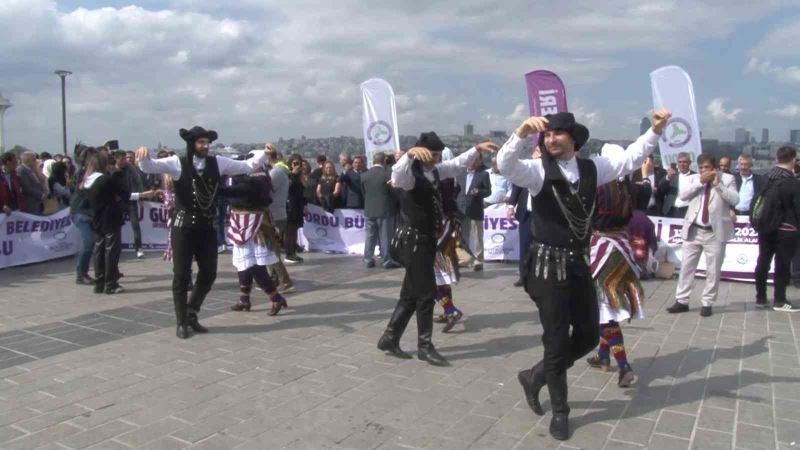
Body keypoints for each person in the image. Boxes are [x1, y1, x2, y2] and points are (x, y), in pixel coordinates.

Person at [499, 110, 669, 441]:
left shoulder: (593, 168)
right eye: (547, 135)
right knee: (557, 338)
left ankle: (536, 375)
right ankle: (561, 410)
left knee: (590, 335)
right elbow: (506, 166)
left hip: (579, 263)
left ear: (573, 139)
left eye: (557, 134)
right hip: (548, 267)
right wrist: (519, 134)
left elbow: (631, 158)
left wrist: (655, 131)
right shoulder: (537, 172)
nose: (550, 139)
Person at [377, 131, 498, 367]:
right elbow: (397, 174)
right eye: (432, 154)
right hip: (414, 242)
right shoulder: (409, 175)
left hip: (427, 240)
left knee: (410, 294)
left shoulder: (434, 171)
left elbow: (456, 164)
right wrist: (409, 154)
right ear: (421, 153)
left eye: (438, 154)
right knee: (425, 294)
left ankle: (389, 338)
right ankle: (425, 346)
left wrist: (476, 149)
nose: (436, 158)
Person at [137, 126, 268, 339]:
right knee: (181, 275)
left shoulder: (218, 162)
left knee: (209, 273)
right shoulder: (177, 162)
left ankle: (191, 311)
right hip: (183, 226)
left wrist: (264, 152)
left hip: (206, 226)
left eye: (207, 142)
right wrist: (142, 155)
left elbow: (246, 166)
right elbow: (149, 166)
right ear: (192, 144)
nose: (205, 146)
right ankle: (181, 322)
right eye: (201, 142)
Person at [585, 177, 643, 388]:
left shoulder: (598, 188)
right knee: (606, 310)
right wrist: (645, 177)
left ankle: (624, 365)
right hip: (621, 248)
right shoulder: (628, 187)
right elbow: (645, 193)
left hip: (602, 249)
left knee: (606, 312)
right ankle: (603, 356)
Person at [666, 154, 739, 317]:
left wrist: (718, 185)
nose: (703, 171)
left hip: (715, 232)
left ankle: (707, 302)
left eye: (706, 167)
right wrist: (700, 182)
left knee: (713, 270)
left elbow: (735, 199)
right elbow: (683, 196)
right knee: (686, 267)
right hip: (694, 230)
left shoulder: (727, 179)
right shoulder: (694, 179)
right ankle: (682, 300)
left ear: (714, 168)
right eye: (701, 168)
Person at [223, 159, 289, 315]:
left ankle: (275, 297)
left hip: (256, 225)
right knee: (243, 264)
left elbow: (247, 193)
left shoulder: (260, 177)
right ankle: (244, 299)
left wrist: (221, 190)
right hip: (240, 222)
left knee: (254, 265)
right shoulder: (241, 176)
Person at [89, 152, 158, 295]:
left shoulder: (87, 180)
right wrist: (143, 195)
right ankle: (110, 283)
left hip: (97, 217)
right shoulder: (106, 179)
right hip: (110, 217)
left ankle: (99, 282)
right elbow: (125, 194)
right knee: (111, 250)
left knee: (99, 249)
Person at [754, 146, 800, 312]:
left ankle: (760, 297)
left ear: (777, 158)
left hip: (765, 227)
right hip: (786, 229)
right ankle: (780, 300)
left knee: (763, 261)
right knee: (782, 264)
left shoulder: (765, 178)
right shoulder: (792, 182)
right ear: (793, 160)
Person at [361, 152, 399, 269]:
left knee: (370, 236)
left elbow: (364, 193)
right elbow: (394, 192)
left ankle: (367, 259)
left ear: (373, 161)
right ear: (384, 161)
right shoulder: (388, 174)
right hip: (385, 209)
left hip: (369, 209)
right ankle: (387, 260)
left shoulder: (364, 175)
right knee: (385, 237)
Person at [265, 146, 294, 290]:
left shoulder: (276, 172)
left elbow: (266, 189)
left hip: (274, 215)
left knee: (270, 250)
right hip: (277, 213)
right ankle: (273, 279)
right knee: (270, 249)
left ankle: (285, 280)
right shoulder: (282, 171)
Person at [457, 156, 491, 271]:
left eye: (475, 160)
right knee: (462, 236)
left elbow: (488, 191)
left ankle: (478, 261)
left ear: (479, 161)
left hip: (476, 209)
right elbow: (456, 190)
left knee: (477, 237)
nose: (471, 162)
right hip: (461, 210)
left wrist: (479, 192)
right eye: (470, 159)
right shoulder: (460, 174)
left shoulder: (484, 175)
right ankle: (464, 259)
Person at [114, 150, 145, 258]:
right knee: (116, 226)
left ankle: (139, 248)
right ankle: (116, 248)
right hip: (118, 201)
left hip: (131, 200)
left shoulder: (130, 167)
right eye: (122, 159)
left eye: (125, 159)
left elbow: (138, 181)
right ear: (116, 159)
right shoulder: (113, 168)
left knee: (135, 225)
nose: (125, 161)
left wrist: (141, 196)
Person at [657, 152, 695, 218]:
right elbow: (660, 189)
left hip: (687, 211)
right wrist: (668, 178)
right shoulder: (672, 175)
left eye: (684, 162)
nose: (682, 164)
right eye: (680, 162)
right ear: (677, 163)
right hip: (671, 210)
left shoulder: (695, 176)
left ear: (690, 163)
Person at [285, 154, 306, 264]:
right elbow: (287, 187)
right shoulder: (288, 174)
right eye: (294, 163)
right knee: (289, 231)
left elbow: (303, 188)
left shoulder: (300, 175)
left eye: (298, 163)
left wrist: (300, 174)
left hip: (298, 205)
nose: (297, 165)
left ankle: (293, 252)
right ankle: (289, 253)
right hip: (290, 204)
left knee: (295, 230)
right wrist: (293, 173)